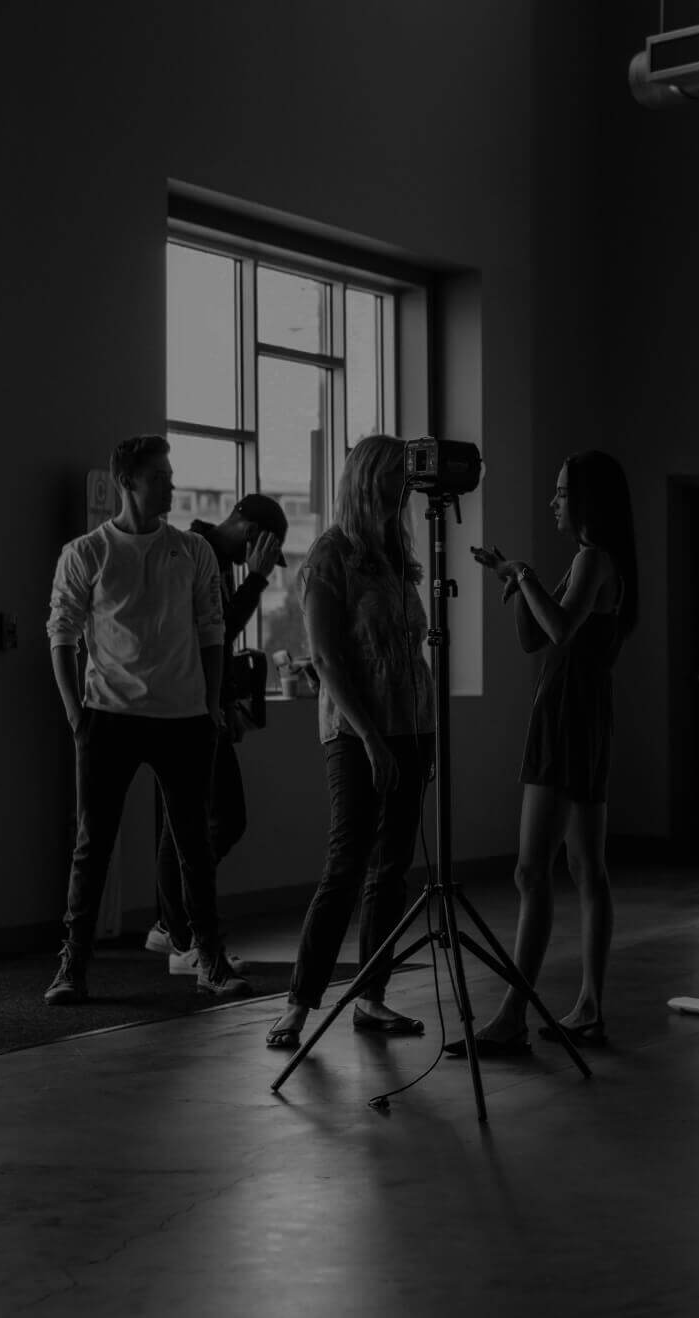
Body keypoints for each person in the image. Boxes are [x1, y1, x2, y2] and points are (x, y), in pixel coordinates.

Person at [45, 434, 252, 1004]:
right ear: (127, 482)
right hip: (107, 717)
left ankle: (209, 960)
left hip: (183, 719)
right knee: (93, 846)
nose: (171, 485)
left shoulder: (192, 550)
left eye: (170, 474)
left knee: (195, 846)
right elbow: (61, 633)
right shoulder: (87, 552)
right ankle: (72, 966)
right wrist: (75, 714)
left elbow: (212, 630)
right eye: (159, 476)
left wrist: (211, 706)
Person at [451, 450, 638, 1057]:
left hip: (567, 722)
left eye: (562, 492)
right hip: (582, 719)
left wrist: (526, 576)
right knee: (585, 869)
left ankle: (513, 1015)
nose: (553, 501)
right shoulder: (591, 560)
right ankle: (589, 1008)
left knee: (531, 871)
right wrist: (516, 581)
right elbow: (535, 636)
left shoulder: (592, 558)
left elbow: (559, 629)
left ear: (587, 499)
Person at [264, 435, 435, 1048]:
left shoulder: (395, 555)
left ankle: (371, 997)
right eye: (395, 472)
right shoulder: (331, 555)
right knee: (346, 865)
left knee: (391, 871)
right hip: (356, 732)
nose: (406, 483)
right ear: (367, 479)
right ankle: (298, 1003)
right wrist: (371, 739)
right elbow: (327, 658)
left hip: (411, 727)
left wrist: (416, 733)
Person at [144, 492, 287, 976]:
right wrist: (258, 580)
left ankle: (174, 925)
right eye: (262, 552)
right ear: (253, 534)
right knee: (204, 822)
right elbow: (217, 630)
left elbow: (216, 642)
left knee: (208, 821)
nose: (257, 562)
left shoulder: (217, 558)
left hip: (206, 707)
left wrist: (226, 703)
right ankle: (178, 933)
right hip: (185, 709)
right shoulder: (195, 551)